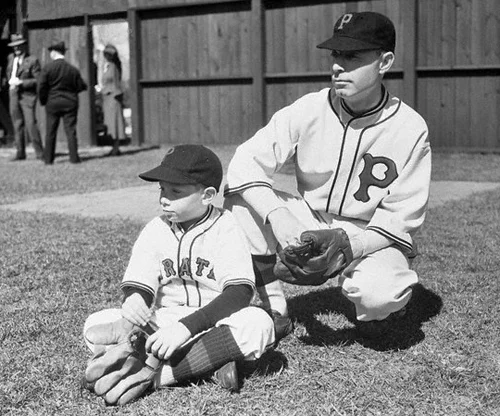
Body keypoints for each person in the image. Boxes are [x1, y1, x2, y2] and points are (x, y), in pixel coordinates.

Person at [223, 12, 432, 338]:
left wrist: (351, 246)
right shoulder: (310, 108)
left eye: (353, 56)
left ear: (385, 62)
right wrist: (278, 214)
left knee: (379, 296)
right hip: (310, 220)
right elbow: (244, 162)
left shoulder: (410, 128)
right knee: (240, 201)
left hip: (370, 234)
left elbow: (401, 220)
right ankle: (274, 309)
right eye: (336, 54)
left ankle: (384, 302)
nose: (338, 65)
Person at [83, 144, 275, 400]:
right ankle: (209, 363)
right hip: (163, 325)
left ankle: (153, 375)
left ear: (207, 195)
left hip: (214, 323)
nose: (164, 198)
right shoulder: (156, 228)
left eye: (175, 191)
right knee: (95, 323)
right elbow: (140, 280)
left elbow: (239, 292)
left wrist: (185, 329)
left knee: (259, 324)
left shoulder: (227, 227)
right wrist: (135, 299)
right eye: (162, 189)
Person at [38, 41, 88, 164]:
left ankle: (48, 159)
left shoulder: (48, 69)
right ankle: (74, 158)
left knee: (50, 131)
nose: (50, 54)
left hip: (53, 102)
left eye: (51, 52)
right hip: (70, 102)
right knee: (71, 131)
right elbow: (82, 86)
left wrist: (44, 100)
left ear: (54, 52)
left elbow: (41, 86)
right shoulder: (72, 70)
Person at [5, 33, 44, 161]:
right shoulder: (11, 58)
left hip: (27, 95)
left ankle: (39, 152)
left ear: (24, 46)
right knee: (17, 124)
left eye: (18, 46)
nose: (16, 49)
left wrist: (22, 82)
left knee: (31, 123)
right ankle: (20, 152)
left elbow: (38, 80)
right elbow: (8, 73)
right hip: (13, 94)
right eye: (14, 46)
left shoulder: (32, 60)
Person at [98, 43, 126, 156]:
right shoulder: (108, 66)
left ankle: (116, 147)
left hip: (113, 97)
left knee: (115, 122)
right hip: (108, 97)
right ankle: (114, 146)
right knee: (110, 123)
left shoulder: (114, 66)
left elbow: (114, 82)